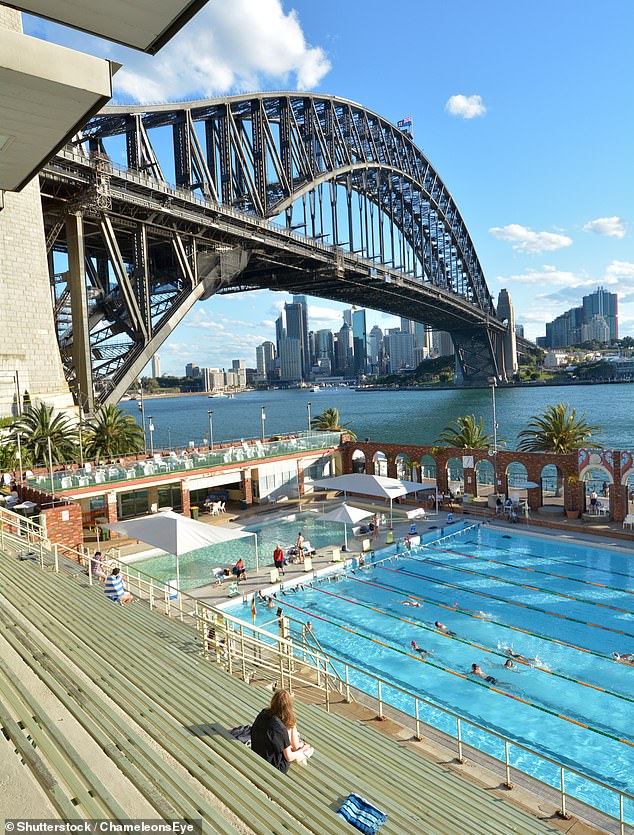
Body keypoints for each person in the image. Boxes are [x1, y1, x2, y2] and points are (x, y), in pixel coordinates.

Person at [251, 690, 313, 774]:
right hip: (274, 766)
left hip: (257, 755)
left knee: (291, 725)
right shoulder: (281, 728)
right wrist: (302, 750)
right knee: (308, 749)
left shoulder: (264, 713)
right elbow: (289, 757)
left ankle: (297, 746)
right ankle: (301, 750)